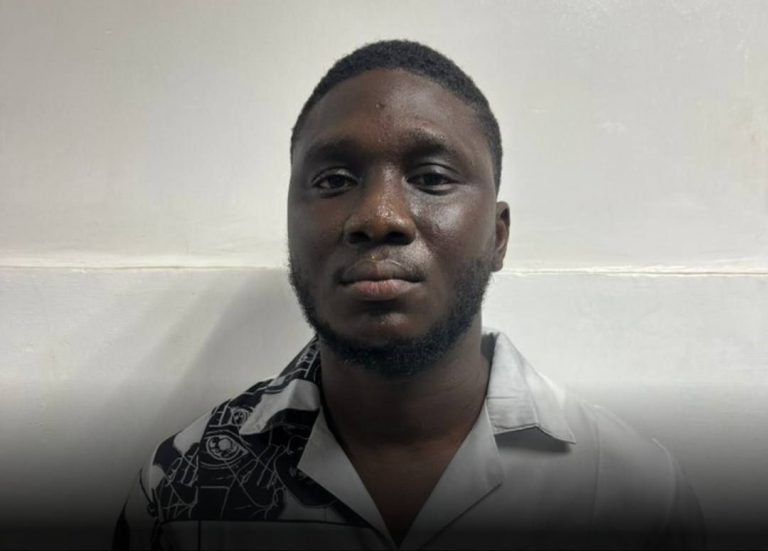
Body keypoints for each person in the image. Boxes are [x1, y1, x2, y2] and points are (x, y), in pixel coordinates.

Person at [114, 40, 705, 550]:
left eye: (431, 179)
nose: (379, 216)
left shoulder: (638, 496)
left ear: (498, 236)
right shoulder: (182, 487)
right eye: (334, 181)